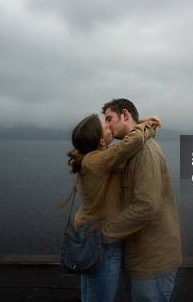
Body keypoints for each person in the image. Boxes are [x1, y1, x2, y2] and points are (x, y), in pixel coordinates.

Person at [67, 113, 161, 302]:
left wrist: (138, 124)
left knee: (91, 294)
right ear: (102, 141)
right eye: (107, 127)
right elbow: (127, 146)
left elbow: (123, 146)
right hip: (102, 240)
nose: (110, 127)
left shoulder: (93, 157)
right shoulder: (97, 161)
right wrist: (149, 126)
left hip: (91, 235)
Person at [101, 98, 182, 302]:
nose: (107, 125)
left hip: (151, 261)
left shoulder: (143, 151)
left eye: (109, 119)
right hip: (141, 257)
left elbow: (146, 205)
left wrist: (105, 232)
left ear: (125, 115)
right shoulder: (133, 148)